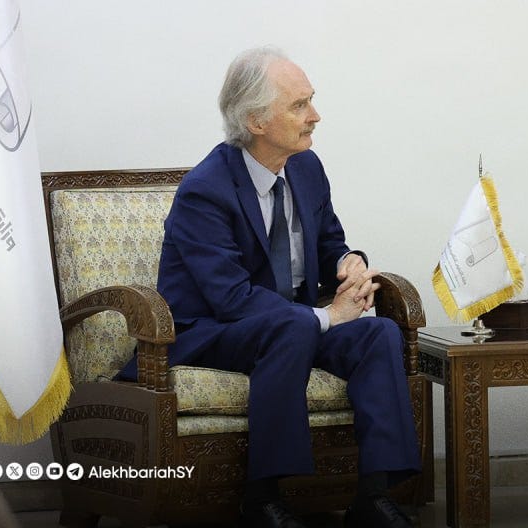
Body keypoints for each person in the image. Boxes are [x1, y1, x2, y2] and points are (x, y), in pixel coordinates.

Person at [131, 47, 419, 528]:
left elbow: (328, 242)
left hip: (289, 327)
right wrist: (326, 317)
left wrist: (348, 263)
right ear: (256, 121)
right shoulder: (205, 190)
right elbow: (231, 298)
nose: (315, 116)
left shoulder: (306, 168)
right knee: (296, 329)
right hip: (214, 331)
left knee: (379, 334)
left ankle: (374, 495)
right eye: (299, 105)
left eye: (311, 100)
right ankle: (262, 498)